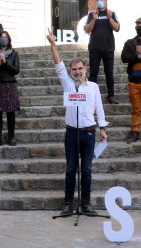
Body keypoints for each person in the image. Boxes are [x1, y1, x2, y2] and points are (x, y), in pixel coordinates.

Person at [47, 28, 108, 216]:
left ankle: (86, 203)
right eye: (74, 69)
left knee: (87, 170)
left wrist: (102, 128)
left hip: (89, 132)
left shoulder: (93, 87)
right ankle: (67, 203)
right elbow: (58, 64)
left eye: (80, 69)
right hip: (72, 132)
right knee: (70, 169)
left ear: (85, 69)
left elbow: (99, 108)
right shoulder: (67, 84)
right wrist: (53, 44)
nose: (77, 72)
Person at [84, 0, 120, 104]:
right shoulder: (91, 15)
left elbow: (117, 28)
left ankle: (111, 96)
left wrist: (110, 19)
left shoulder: (112, 13)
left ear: (106, 0)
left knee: (109, 73)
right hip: (94, 48)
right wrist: (94, 19)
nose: (100, 0)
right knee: (93, 73)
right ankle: (91, 96)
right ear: (95, 1)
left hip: (108, 48)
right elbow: (86, 30)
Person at [0, 31, 20, 147]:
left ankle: (11, 137)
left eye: (6, 37)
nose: (4, 39)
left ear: (9, 40)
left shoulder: (14, 54)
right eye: (2, 37)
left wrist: (5, 63)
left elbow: (16, 70)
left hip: (10, 85)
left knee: (11, 112)